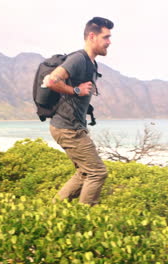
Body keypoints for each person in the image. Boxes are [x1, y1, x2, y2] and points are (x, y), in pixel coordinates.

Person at [43, 17, 113, 206]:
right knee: (97, 173)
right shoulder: (78, 59)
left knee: (84, 172)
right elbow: (50, 81)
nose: (109, 42)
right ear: (92, 36)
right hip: (68, 128)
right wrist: (76, 90)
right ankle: (84, 221)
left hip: (71, 127)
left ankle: (53, 211)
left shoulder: (91, 63)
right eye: (106, 37)